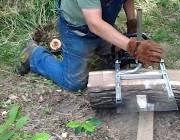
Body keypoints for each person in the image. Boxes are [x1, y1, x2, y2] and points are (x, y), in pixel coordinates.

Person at [17, 0, 164, 91]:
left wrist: (132, 23)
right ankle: (34, 55)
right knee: (73, 83)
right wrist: (133, 46)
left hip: (104, 25)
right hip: (78, 32)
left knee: (122, 58)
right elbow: (94, 23)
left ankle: (104, 49)